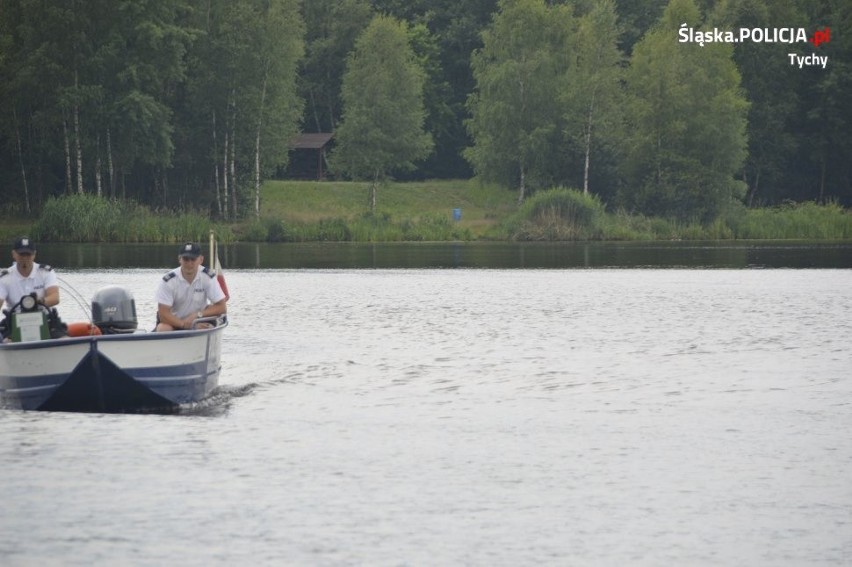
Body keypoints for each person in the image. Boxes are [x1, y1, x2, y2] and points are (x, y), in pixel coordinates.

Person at [0, 236, 64, 340]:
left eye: (28, 254)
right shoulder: (4, 277)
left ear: (34, 255)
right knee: (6, 341)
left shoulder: (46, 272)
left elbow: (55, 297)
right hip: (13, 323)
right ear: (14, 254)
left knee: (63, 339)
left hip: (46, 320)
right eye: (21, 254)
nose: (25, 258)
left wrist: (40, 300)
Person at [155, 242, 227, 331]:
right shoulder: (168, 280)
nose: (189, 263)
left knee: (207, 328)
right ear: (179, 259)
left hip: (198, 320)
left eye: (193, 259)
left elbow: (222, 307)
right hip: (174, 321)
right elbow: (163, 314)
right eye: (186, 259)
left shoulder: (208, 277)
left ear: (201, 259)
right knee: (163, 328)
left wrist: (197, 315)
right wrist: (185, 325)